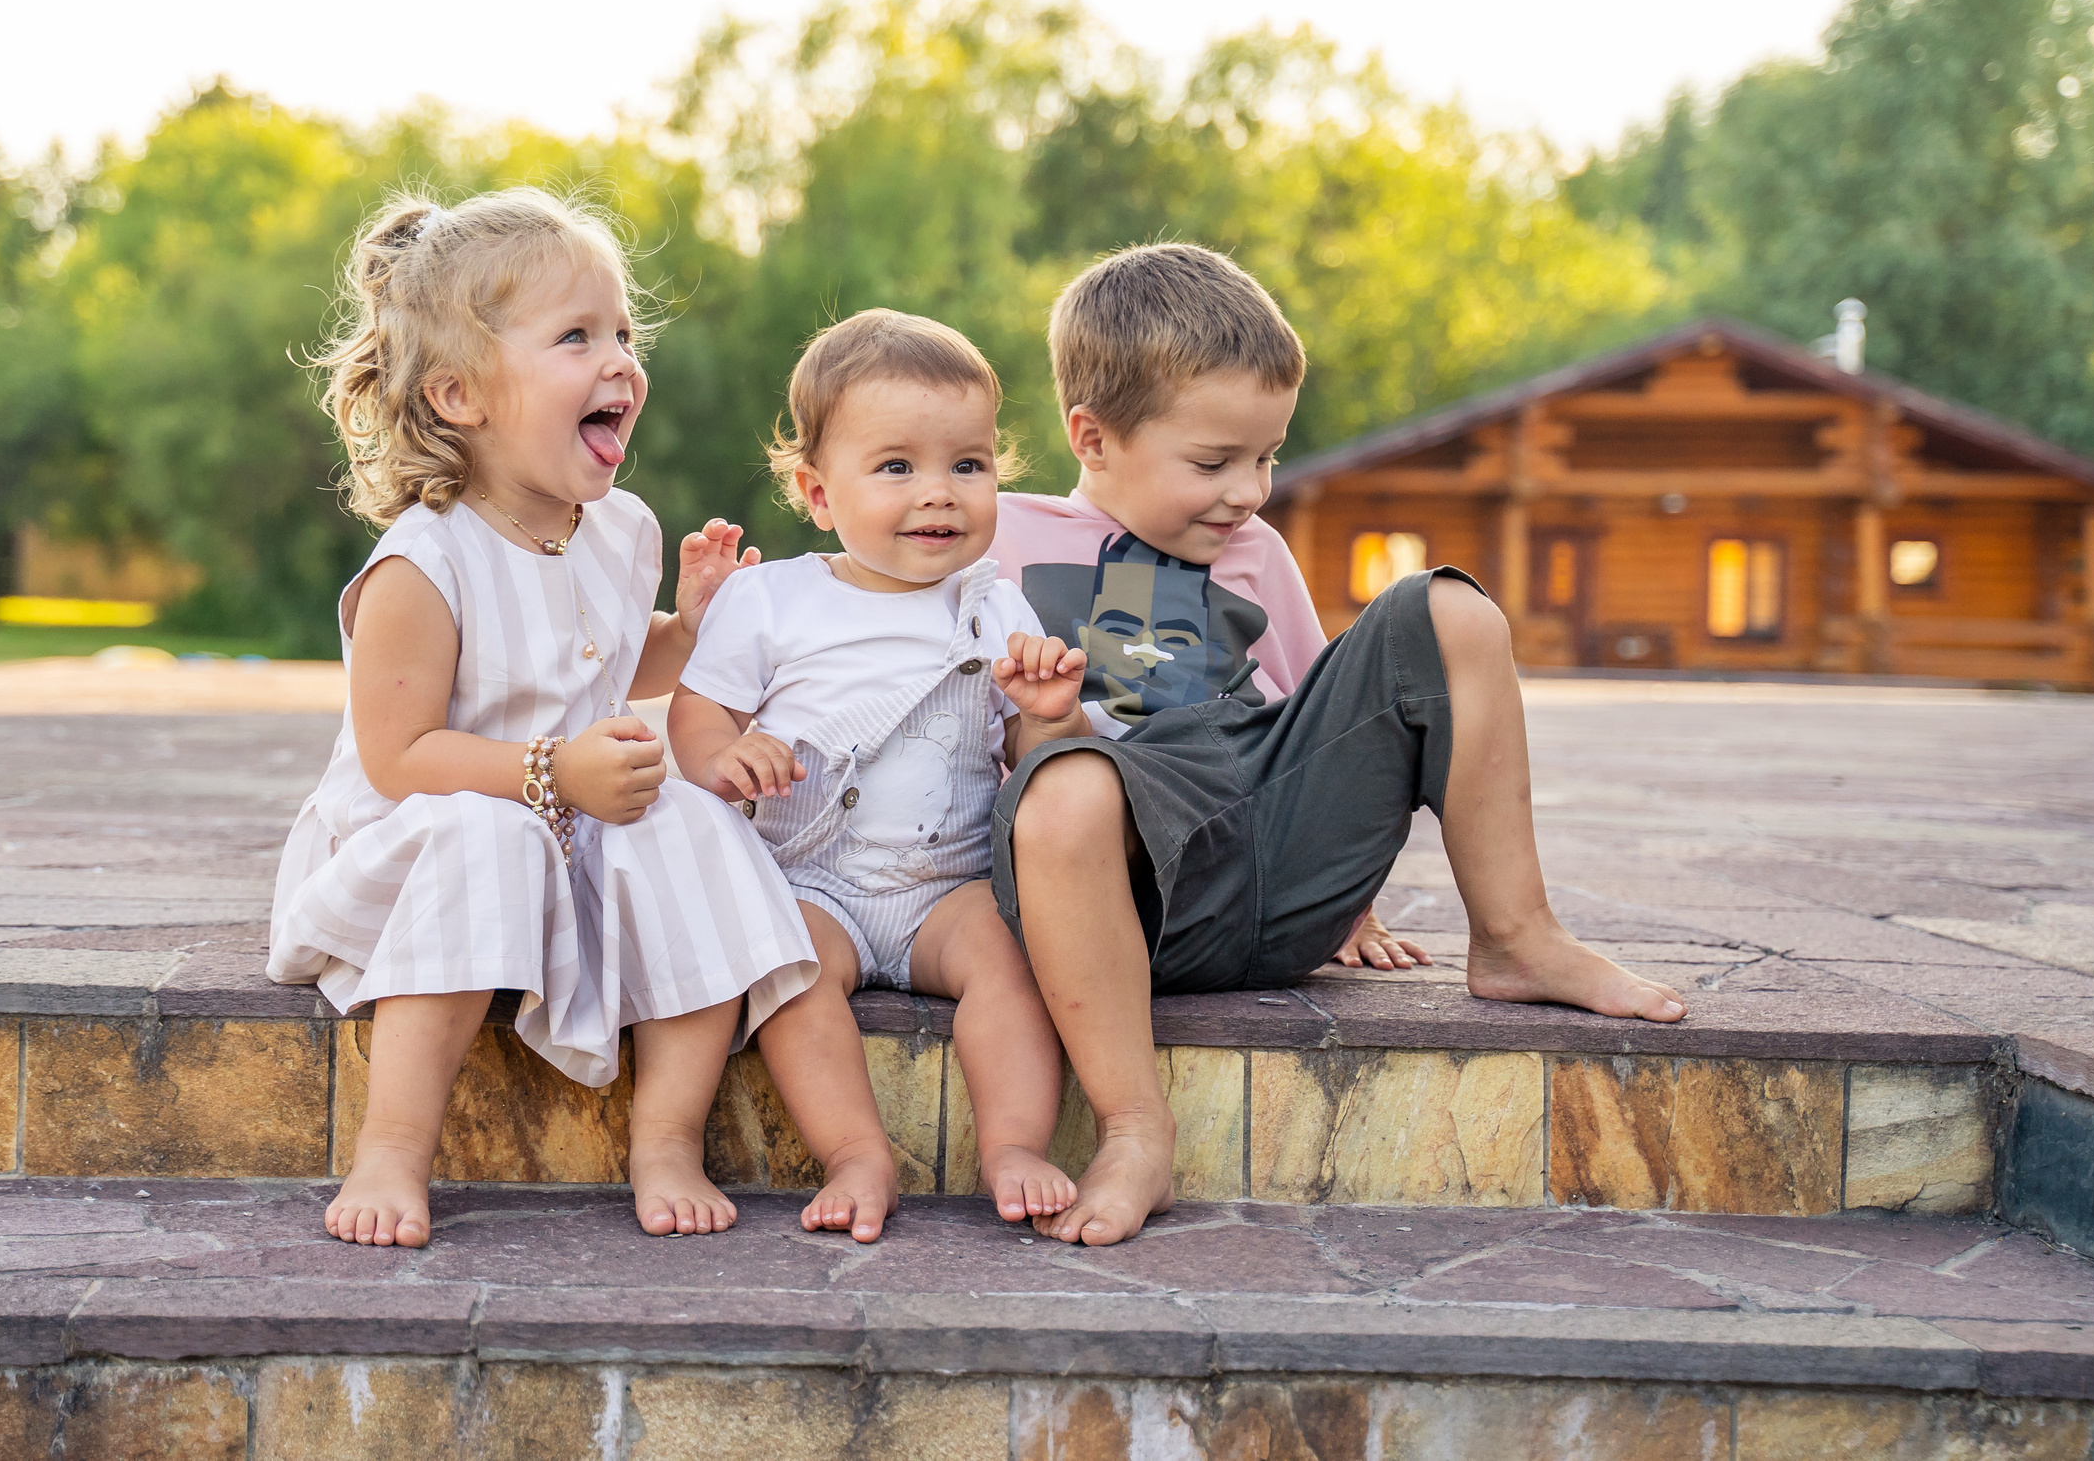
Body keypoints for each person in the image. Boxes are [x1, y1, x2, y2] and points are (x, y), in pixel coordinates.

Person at [987, 243, 1689, 1247]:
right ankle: (1135, 1128)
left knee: (1449, 609)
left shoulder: (1253, 553)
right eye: (1213, 463)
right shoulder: (999, 541)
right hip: (1120, 906)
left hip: (1269, 875)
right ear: (1092, 437)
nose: (1250, 491)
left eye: (1266, 457)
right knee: (1069, 785)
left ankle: (1516, 936)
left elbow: (1312, 722)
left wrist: (1351, 899)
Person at [269, 188, 816, 1248]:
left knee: (692, 819)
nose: (619, 362)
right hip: (421, 837)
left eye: (624, 334)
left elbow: (600, 651)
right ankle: (392, 1150)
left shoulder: (618, 528)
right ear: (459, 394)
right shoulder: (423, 562)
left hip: (564, 818)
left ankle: (667, 1137)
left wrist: (686, 629)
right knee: (490, 836)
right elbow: (398, 756)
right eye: (576, 337)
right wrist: (551, 775)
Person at [668, 311, 1092, 1244]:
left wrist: (1050, 711)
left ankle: (1012, 1145)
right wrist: (723, 757)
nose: (938, 491)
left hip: (950, 885)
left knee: (1016, 964)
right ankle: (856, 1152)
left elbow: (1039, 763)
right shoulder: (771, 597)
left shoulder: (996, 605)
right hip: (812, 881)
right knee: (789, 974)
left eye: (968, 464)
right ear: (819, 493)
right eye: (896, 466)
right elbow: (698, 711)